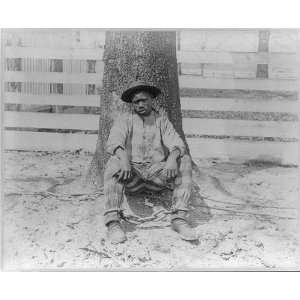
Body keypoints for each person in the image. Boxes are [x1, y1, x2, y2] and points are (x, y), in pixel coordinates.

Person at [103, 81, 198, 244]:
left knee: (185, 160)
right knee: (114, 161)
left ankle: (179, 218)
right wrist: (124, 159)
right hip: (132, 177)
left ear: (151, 100)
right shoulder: (125, 119)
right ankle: (113, 222)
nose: (140, 104)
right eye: (136, 102)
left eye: (144, 100)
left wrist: (172, 158)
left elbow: (177, 142)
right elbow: (113, 141)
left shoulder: (161, 120)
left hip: (157, 177)